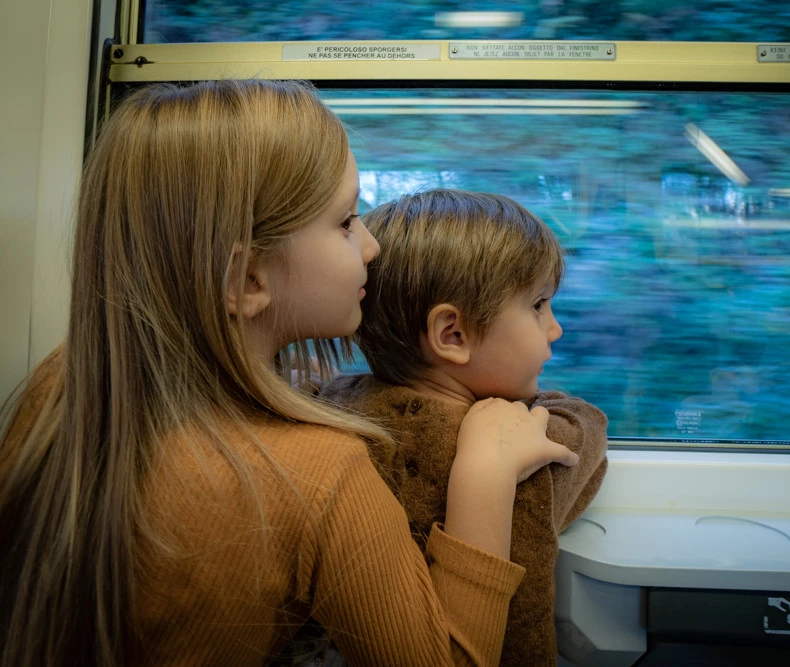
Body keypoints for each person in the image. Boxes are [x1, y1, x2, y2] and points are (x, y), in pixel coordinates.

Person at [0, 81, 581, 667]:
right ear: (247, 280)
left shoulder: (61, 386)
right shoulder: (317, 473)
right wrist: (484, 476)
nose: (372, 247)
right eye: (347, 222)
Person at [317, 189, 609, 667]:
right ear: (452, 335)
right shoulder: (527, 452)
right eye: (538, 305)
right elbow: (588, 431)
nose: (555, 329)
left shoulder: (334, 409)